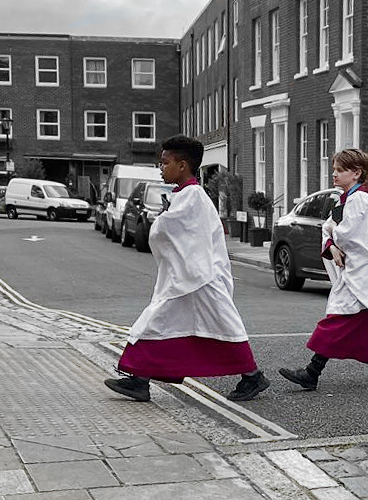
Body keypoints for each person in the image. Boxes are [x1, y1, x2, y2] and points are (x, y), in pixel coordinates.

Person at [105, 136, 269, 402]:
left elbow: (169, 231)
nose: (161, 168)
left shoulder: (192, 196)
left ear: (182, 165)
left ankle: (252, 377)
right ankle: (140, 379)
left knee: (210, 326)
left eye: (165, 162)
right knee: (171, 324)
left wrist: (159, 222)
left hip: (200, 278)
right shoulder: (186, 195)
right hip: (193, 277)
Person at [279, 149, 368, 390]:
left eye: (340, 170)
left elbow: (347, 235)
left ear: (356, 173)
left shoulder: (358, 202)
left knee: (336, 321)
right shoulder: (350, 200)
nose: (334, 174)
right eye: (334, 169)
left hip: (364, 274)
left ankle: (312, 373)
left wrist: (333, 241)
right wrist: (332, 242)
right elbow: (332, 228)